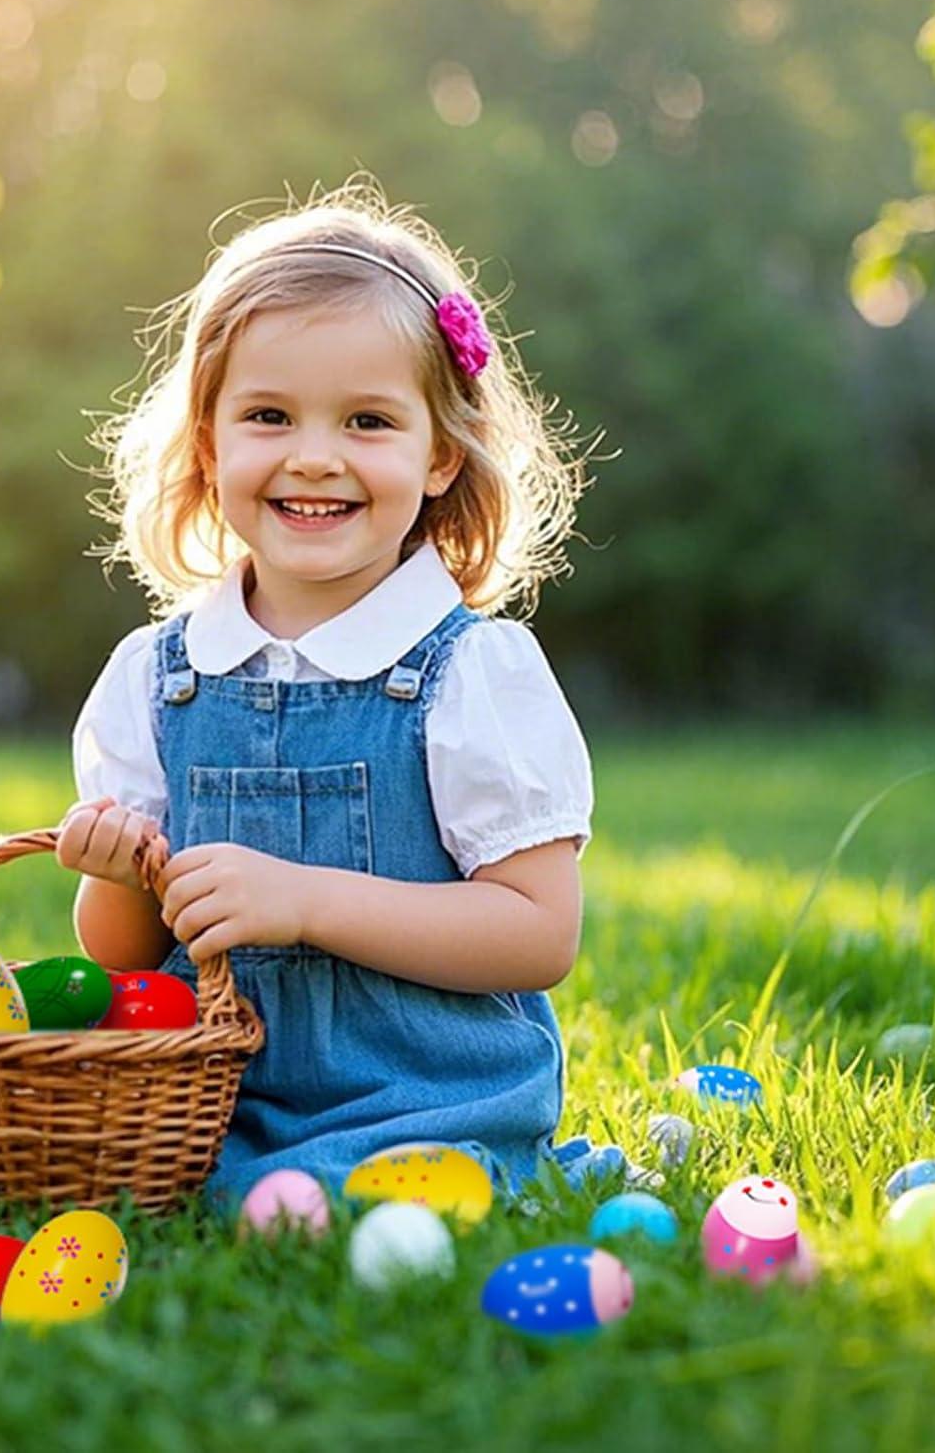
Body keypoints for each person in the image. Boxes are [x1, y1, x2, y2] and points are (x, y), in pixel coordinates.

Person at [57, 175, 626, 1215]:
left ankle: (316, 1196)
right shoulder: (158, 675)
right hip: (201, 1096)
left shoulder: (469, 676)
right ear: (210, 442)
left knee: (300, 1207)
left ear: (441, 453)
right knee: (83, 1162)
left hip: (421, 1098)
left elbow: (538, 935)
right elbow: (125, 953)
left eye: (367, 420)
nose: (314, 457)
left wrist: (307, 903)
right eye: (269, 415)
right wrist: (114, 874)